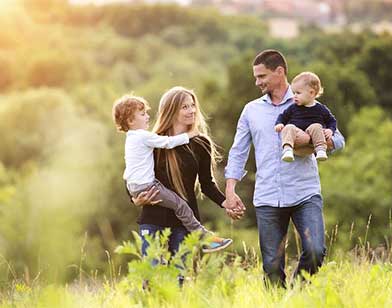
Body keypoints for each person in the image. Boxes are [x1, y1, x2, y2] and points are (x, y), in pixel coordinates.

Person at [224, 49, 345, 287]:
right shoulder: (251, 110)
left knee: (315, 250)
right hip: (268, 195)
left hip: (304, 192)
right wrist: (230, 190)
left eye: (262, 76)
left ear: (280, 72)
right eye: (256, 77)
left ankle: (296, 296)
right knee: (271, 265)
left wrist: (326, 140)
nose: (257, 82)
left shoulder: (311, 103)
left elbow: (339, 140)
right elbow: (238, 151)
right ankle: (278, 301)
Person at [113, 94, 232, 254]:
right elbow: (133, 173)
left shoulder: (200, 143)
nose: (192, 110)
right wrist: (135, 199)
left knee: (179, 276)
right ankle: (204, 237)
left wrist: (226, 203)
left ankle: (204, 238)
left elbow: (207, 184)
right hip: (153, 219)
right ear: (171, 111)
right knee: (152, 274)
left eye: (192, 105)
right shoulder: (153, 140)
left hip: (182, 224)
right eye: (185, 107)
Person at [274, 72, 337, 162]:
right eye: (294, 93)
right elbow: (283, 116)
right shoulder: (293, 108)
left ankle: (320, 150)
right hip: (297, 138)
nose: (294, 96)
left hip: (311, 143)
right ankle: (287, 149)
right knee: (289, 127)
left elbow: (332, 120)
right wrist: (279, 123)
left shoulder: (320, 109)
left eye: (298, 93)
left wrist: (330, 130)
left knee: (316, 126)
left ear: (311, 93)